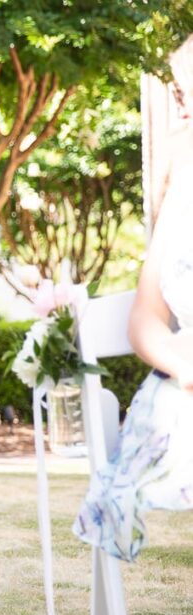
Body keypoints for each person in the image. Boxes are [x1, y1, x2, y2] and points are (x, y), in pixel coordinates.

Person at [73, 37, 193, 561]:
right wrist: (183, 367)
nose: (180, 107)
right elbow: (145, 322)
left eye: (188, 92)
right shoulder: (182, 189)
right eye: (178, 92)